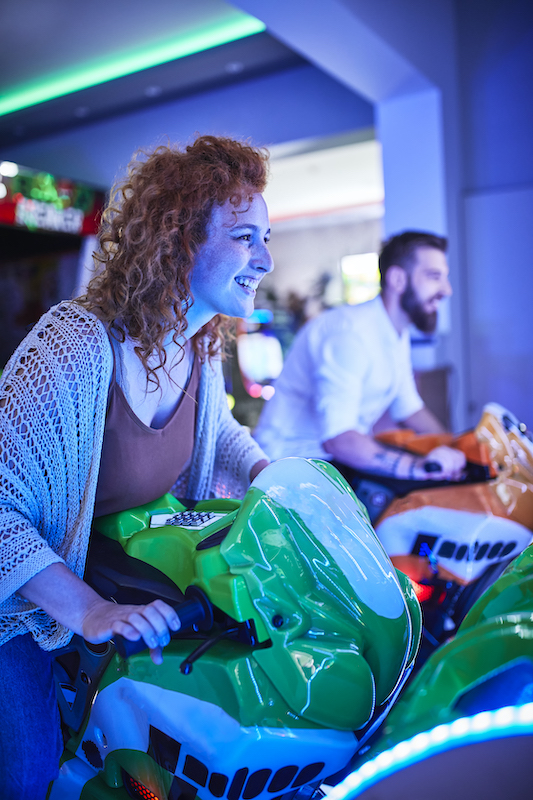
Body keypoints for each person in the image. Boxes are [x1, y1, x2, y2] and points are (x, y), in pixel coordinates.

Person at [0, 134, 273, 798]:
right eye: (244, 237)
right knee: (33, 774)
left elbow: (227, 439)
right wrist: (89, 612)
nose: (264, 259)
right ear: (180, 240)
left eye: (266, 238)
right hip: (26, 615)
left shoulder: (201, 353)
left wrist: (280, 482)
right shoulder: (75, 345)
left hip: (114, 594)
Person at [254, 231, 465, 482]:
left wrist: (459, 449)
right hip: (290, 469)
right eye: (434, 277)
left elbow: (408, 407)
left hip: (330, 462)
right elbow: (338, 438)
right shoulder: (350, 335)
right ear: (398, 279)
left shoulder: (395, 331)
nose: (447, 290)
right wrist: (418, 468)